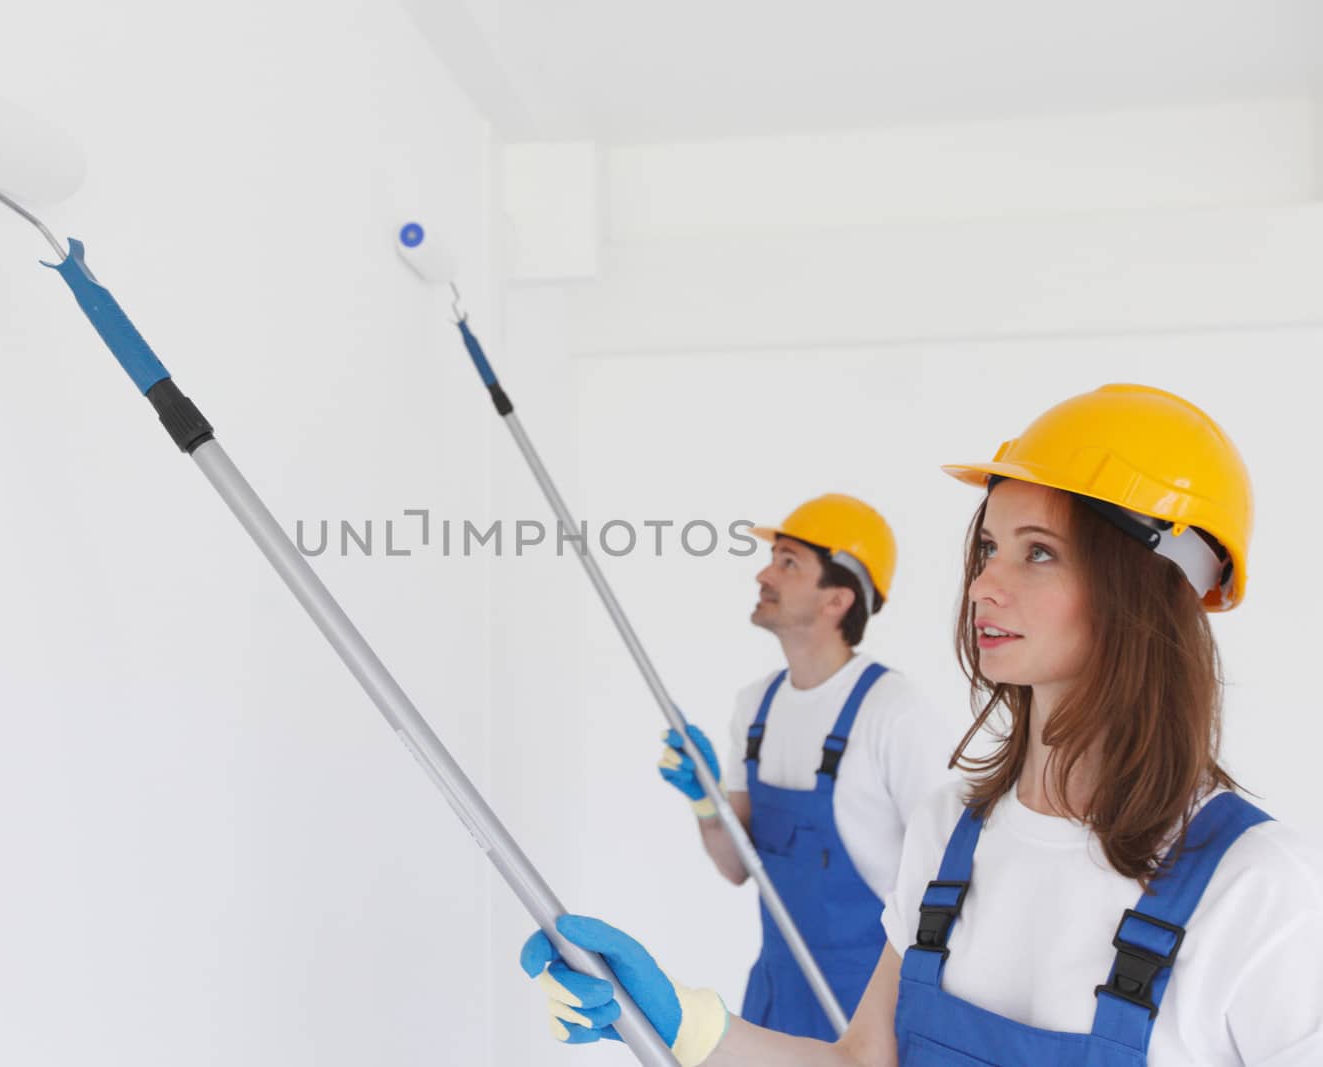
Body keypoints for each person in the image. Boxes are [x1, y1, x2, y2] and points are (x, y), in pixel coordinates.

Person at [522, 384, 1323, 1065]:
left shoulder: (1256, 886)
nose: (983, 586)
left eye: (1038, 552)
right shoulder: (949, 831)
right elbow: (863, 1060)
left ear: (1151, 588)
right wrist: (687, 1024)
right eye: (986, 548)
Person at [657, 494, 956, 1038]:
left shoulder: (892, 712)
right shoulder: (757, 708)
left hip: (869, 1008)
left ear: (837, 599)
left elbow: (952, 877)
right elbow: (736, 866)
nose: (763, 573)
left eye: (788, 561)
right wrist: (706, 800)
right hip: (776, 994)